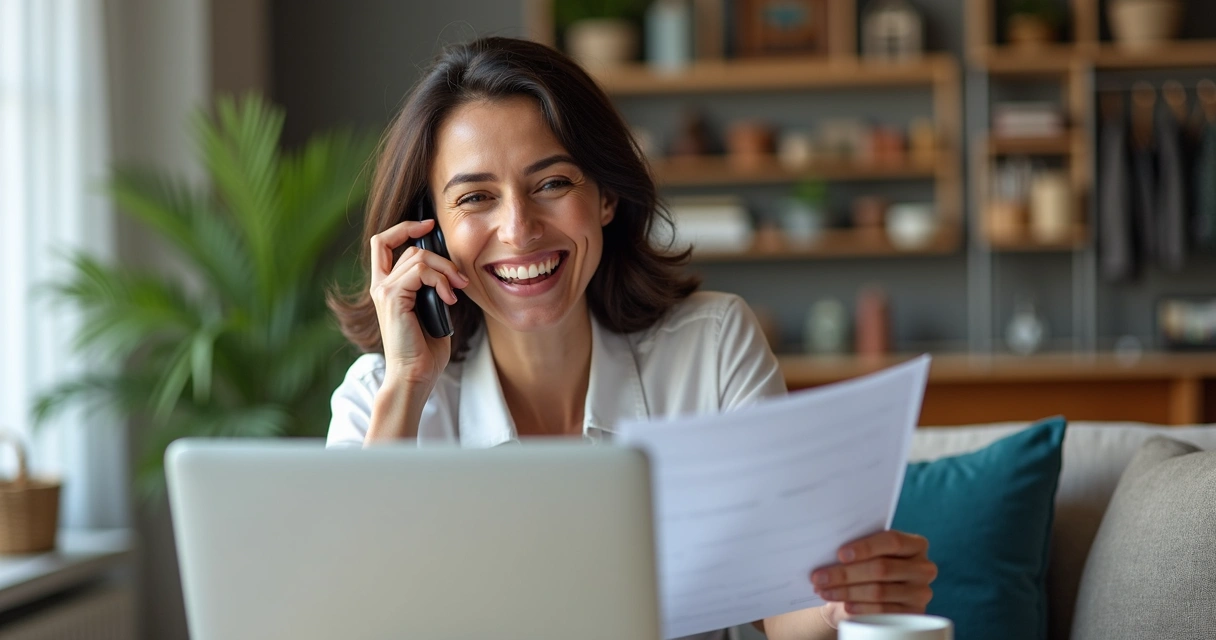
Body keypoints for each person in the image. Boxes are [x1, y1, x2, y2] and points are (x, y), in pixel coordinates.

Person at [326, 36, 936, 640]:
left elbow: (780, 607)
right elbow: (349, 617)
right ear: (426, 236)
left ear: (607, 195)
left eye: (553, 183)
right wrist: (407, 384)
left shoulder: (712, 347)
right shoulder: (380, 399)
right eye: (476, 197)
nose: (519, 229)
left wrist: (838, 603)